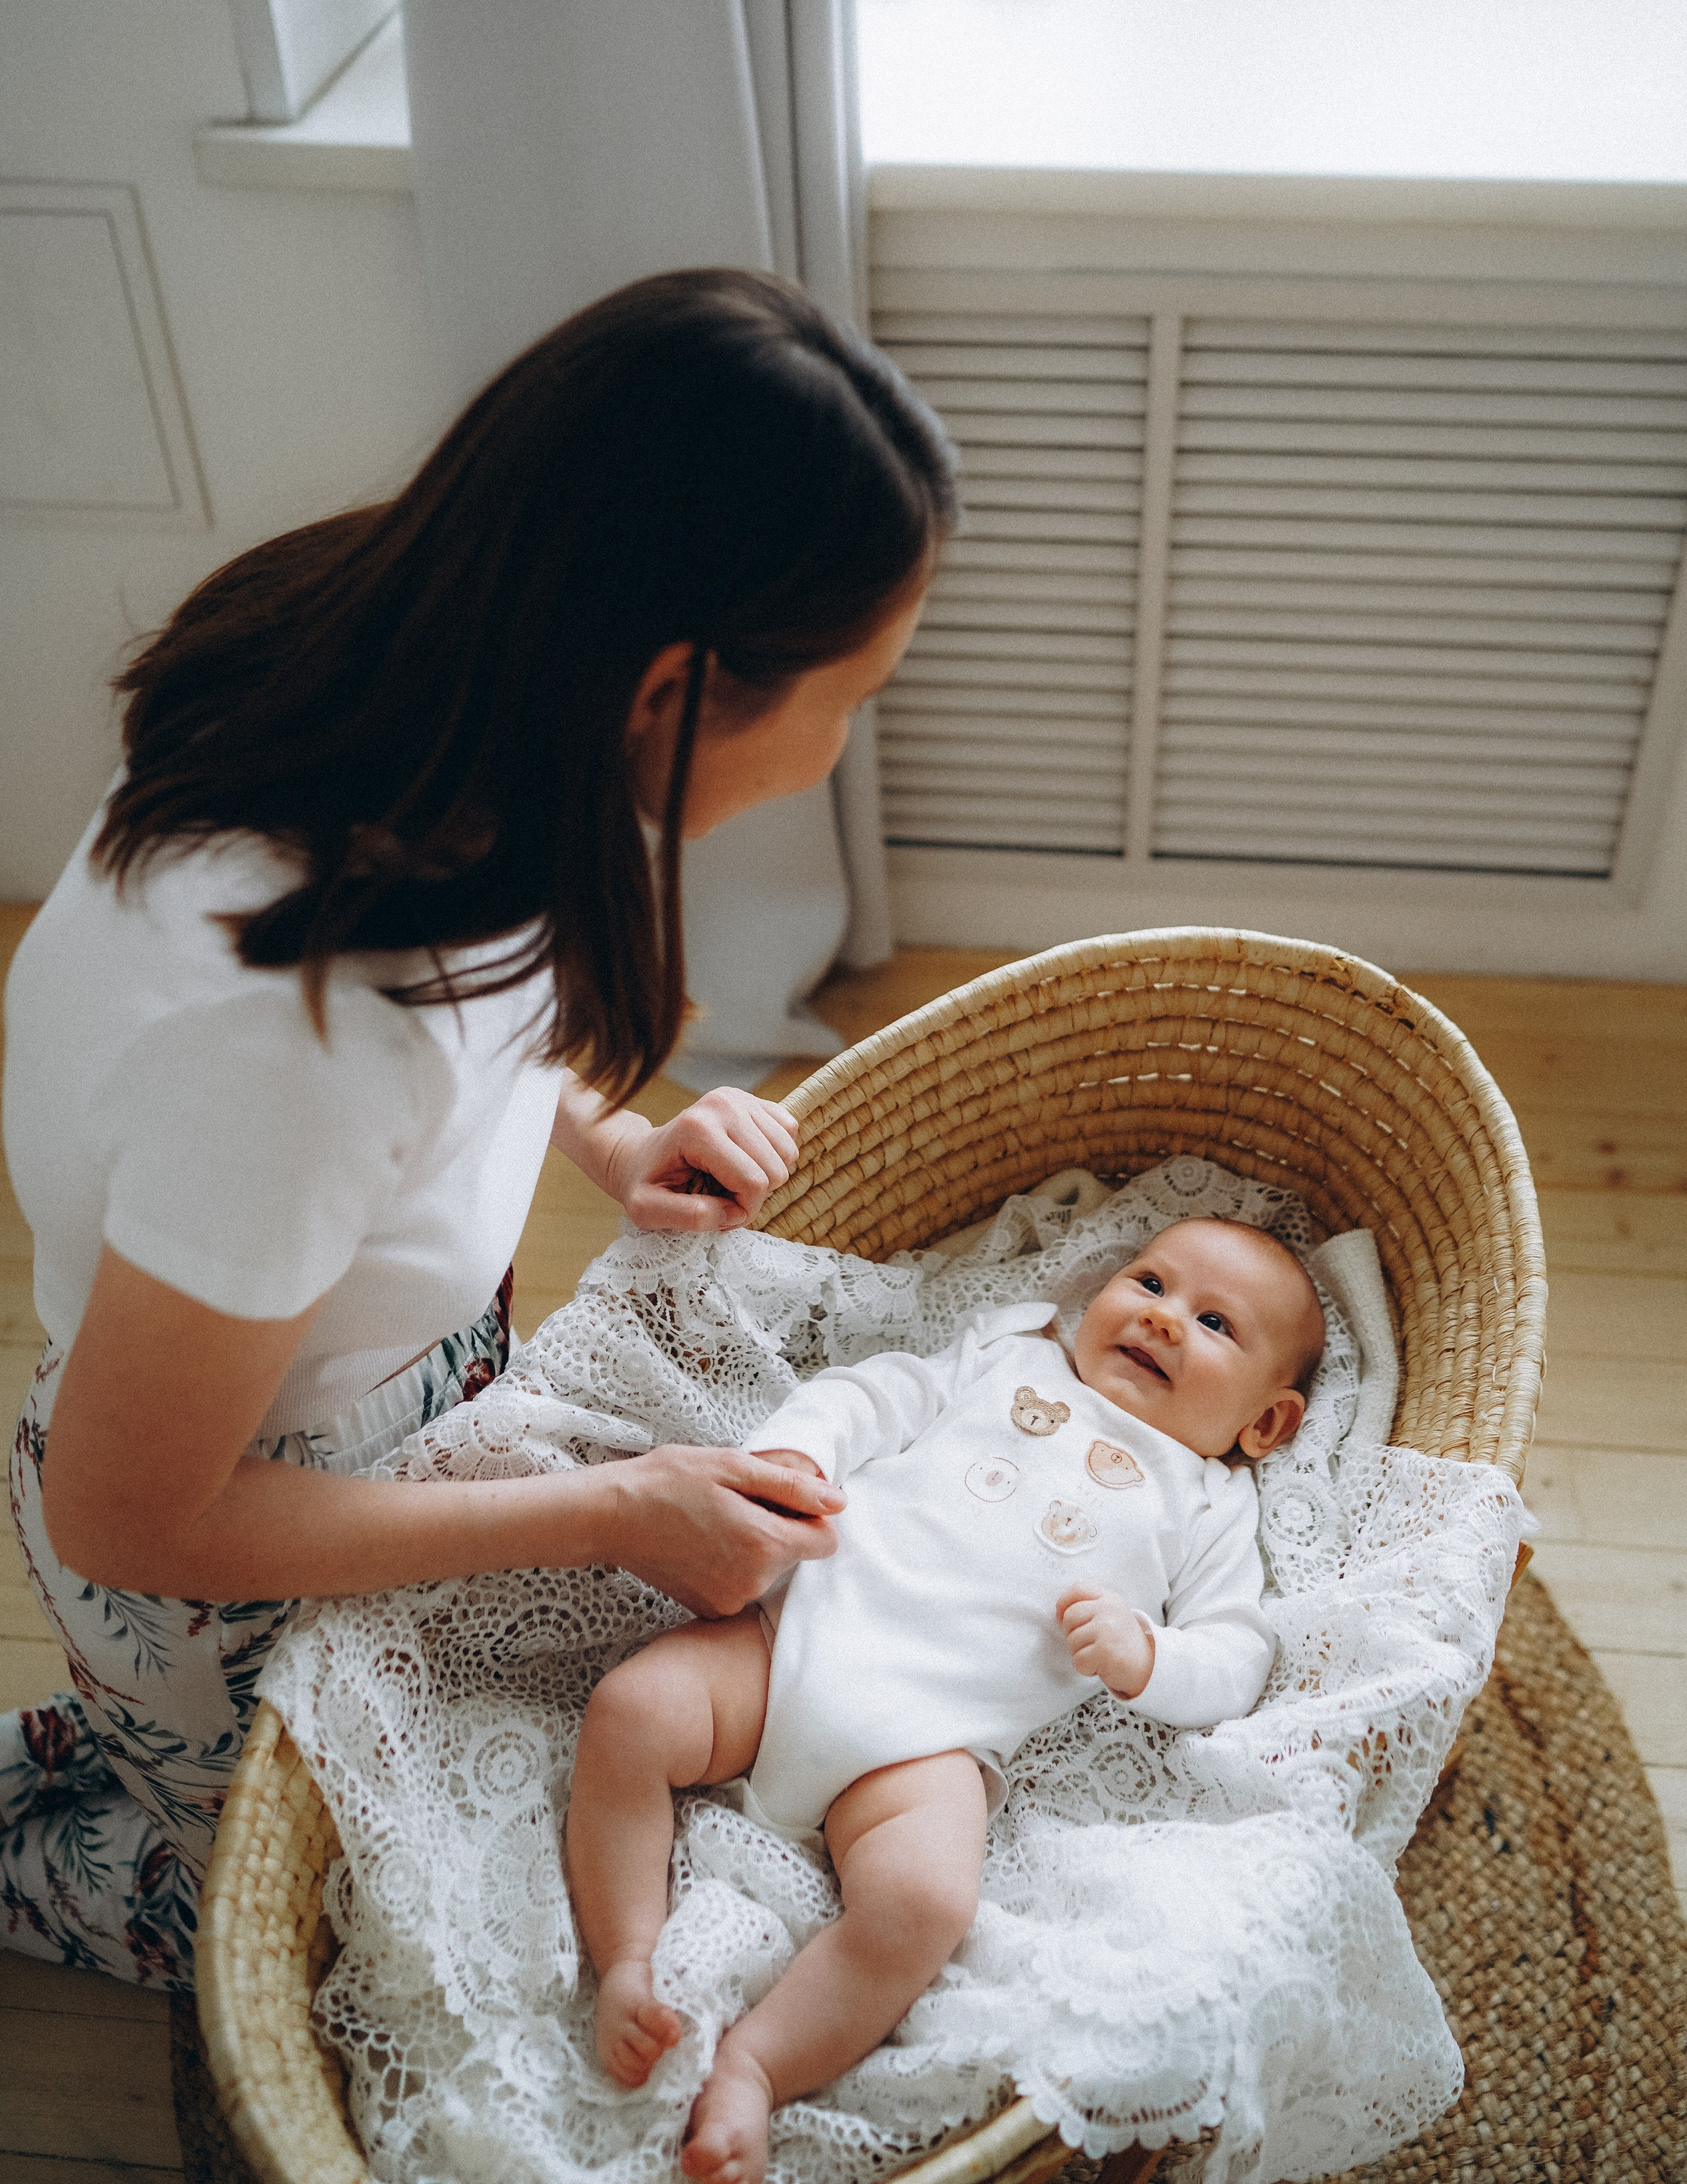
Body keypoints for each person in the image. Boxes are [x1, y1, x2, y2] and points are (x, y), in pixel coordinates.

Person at [0, 266, 958, 1985]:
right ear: (673, 690)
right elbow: (127, 1516)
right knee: (296, 1944)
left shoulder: (429, 690)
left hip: (360, 1391)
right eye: (850, 697)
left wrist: (606, 1137)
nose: (838, 751)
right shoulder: (290, 1044)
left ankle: (99, 1776)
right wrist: (612, 1509)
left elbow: (469, 1026)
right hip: (210, 1540)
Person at [563, 1214, 1325, 2184]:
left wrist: (1148, 1657)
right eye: (1150, 1283)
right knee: (631, 1712)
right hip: (788, 1637)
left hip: (927, 1747)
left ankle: (756, 2065)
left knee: (925, 1903)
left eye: (1216, 1324)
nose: (1165, 1319)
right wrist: (801, 1456)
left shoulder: (1209, 1502)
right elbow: (872, 1394)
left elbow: (1236, 1657)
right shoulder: (1013, 1359)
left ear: (1265, 1424)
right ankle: (628, 1956)